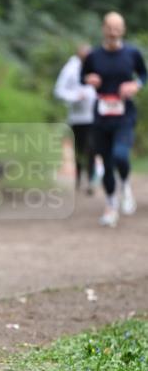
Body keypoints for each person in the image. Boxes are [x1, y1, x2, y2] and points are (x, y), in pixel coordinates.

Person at [82, 11, 146, 227]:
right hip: (101, 116)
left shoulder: (132, 54)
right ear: (103, 29)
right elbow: (84, 75)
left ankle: (125, 184)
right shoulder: (94, 56)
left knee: (120, 155)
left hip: (124, 115)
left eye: (117, 28)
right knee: (106, 163)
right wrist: (89, 79)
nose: (113, 32)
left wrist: (135, 85)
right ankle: (111, 206)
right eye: (109, 28)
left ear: (123, 29)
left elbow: (144, 74)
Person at [54, 43, 98, 194]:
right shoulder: (70, 69)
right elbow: (59, 91)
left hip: (94, 115)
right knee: (80, 149)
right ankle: (79, 179)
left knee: (92, 147)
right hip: (77, 117)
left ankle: (91, 180)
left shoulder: (96, 66)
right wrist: (75, 96)